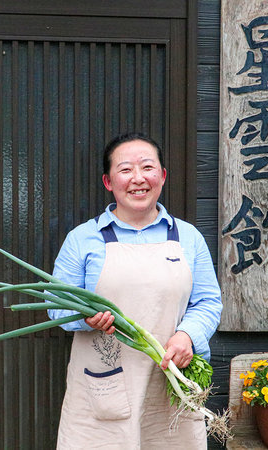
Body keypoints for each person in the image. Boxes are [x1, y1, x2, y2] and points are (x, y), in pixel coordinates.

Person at [49, 132, 223, 449]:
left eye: (147, 167)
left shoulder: (188, 237)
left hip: (172, 380)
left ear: (163, 176)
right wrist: (85, 318)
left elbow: (208, 303)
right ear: (108, 181)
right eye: (126, 169)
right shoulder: (83, 238)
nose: (138, 179)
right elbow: (57, 307)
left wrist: (187, 336)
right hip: (105, 383)